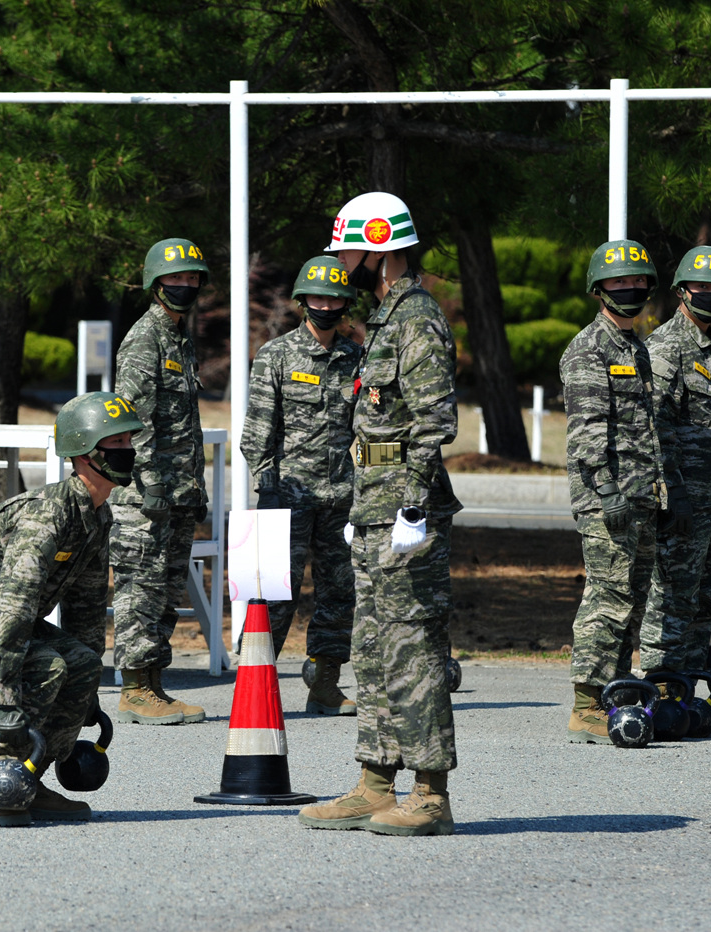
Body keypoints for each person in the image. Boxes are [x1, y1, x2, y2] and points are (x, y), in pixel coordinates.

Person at [297, 192, 461, 837]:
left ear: (376, 248)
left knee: (412, 648)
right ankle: (374, 782)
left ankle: (429, 794)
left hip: (402, 509)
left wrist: (413, 510)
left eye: (347, 250)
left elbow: (433, 422)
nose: (341, 263)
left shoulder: (416, 318)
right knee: (372, 649)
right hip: (374, 504)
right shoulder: (389, 316)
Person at [0, 391, 142, 827]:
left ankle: (26, 780)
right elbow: (13, 611)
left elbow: (87, 611)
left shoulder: (96, 516)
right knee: (45, 665)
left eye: (130, 443)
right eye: (119, 444)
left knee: (82, 664)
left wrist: (86, 693)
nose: (129, 453)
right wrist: (5, 706)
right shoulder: (46, 516)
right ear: (87, 453)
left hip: (0, 615)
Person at [561, 240, 675, 743]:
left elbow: (645, 430)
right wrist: (607, 491)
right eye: (617, 282)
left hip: (643, 496)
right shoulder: (590, 348)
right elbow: (588, 431)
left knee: (632, 597)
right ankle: (586, 702)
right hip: (607, 498)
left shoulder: (637, 348)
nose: (629, 289)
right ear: (597, 289)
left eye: (636, 281)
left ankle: (617, 691)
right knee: (606, 596)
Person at [241, 255, 361, 715]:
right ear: (301, 301)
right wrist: (268, 489)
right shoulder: (277, 356)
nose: (326, 306)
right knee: (273, 594)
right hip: (287, 497)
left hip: (341, 498)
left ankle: (325, 683)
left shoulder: (356, 359)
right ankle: (257, 687)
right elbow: (257, 434)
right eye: (317, 297)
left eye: (334, 298)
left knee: (338, 593)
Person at [640, 247, 711, 688]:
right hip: (683, 507)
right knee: (672, 599)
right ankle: (662, 685)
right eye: (702, 286)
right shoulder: (666, 349)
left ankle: (687, 686)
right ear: (683, 290)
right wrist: (673, 496)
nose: (710, 294)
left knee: (705, 601)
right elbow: (655, 429)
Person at [111, 238, 210, 725]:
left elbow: (183, 424)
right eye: (175, 278)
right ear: (156, 284)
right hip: (146, 494)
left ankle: (152, 684)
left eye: (192, 278)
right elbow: (133, 419)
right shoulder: (145, 338)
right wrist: (148, 481)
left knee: (167, 592)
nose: (185, 286)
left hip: (177, 493)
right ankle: (133, 689)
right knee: (140, 590)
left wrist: (196, 489)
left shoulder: (179, 340)